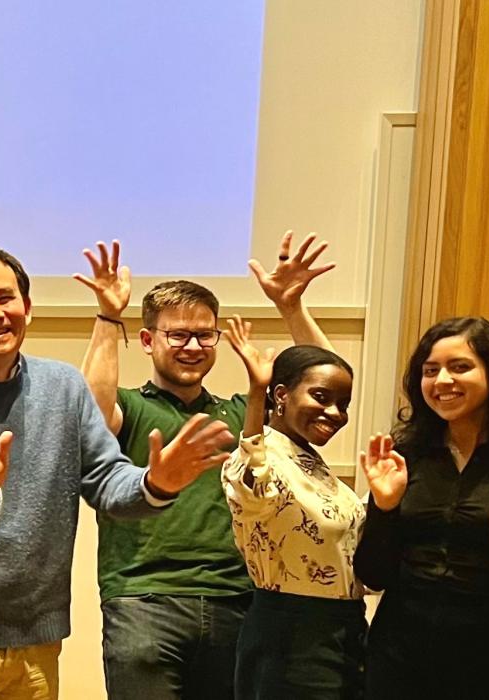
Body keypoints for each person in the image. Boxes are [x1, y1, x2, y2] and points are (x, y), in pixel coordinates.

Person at [0, 247, 236, 698]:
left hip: (39, 639)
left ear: (27, 309)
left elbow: (107, 479)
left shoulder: (63, 386)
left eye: (5, 298)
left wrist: (155, 483)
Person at [74, 234, 333, 699]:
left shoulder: (241, 414)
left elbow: (325, 386)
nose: (193, 346)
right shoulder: (130, 408)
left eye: (204, 334)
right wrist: (109, 316)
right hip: (143, 601)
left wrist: (292, 308)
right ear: (149, 340)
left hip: (238, 601)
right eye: (178, 335)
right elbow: (89, 412)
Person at [352, 317, 489, 699]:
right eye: (430, 371)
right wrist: (384, 507)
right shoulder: (407, 453)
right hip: (399, 655)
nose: (442, 381)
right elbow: (373, 574)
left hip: (488, 660)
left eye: (460, 367)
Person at [218, 319, 362, 700]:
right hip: (290, 635)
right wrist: (254, 395)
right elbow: (254, 492)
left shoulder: (310, 462)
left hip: (343, 630)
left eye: (343, 404)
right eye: (321, 397)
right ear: (280, 395)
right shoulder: (257, 454)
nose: (335, 413)